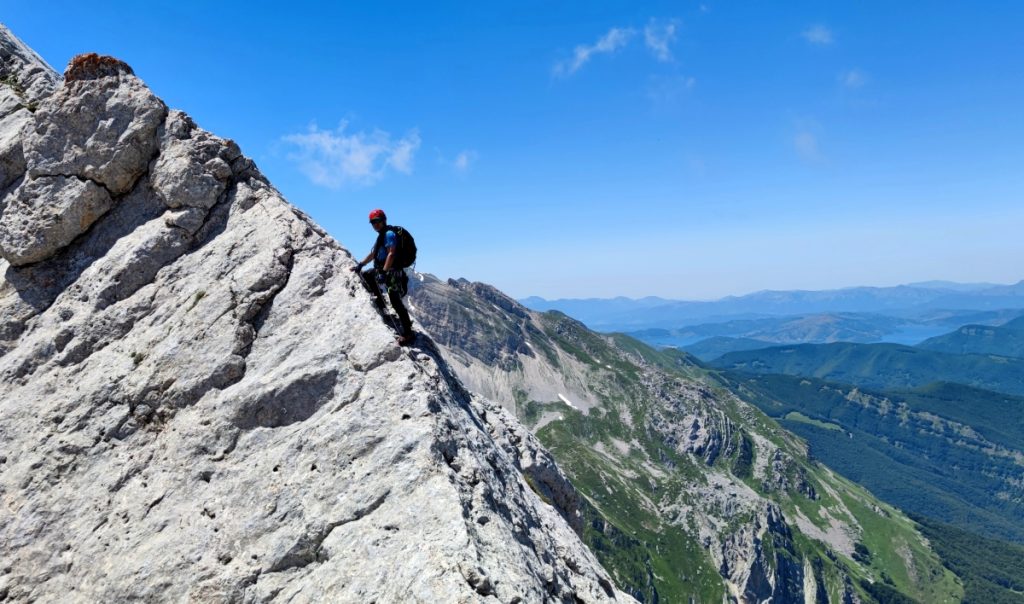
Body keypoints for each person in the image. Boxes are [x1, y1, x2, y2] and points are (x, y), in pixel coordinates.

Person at [351, 209, 415, 345]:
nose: (375, 225)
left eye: (377, 221)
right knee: (368, 275)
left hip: (393, 271)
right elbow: (374, 253)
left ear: (383, 220)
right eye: (373, 223)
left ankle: (408, 333)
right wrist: (361, 264)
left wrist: (384, 272)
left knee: (395, 300)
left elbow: (391, 254)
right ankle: (380, 303)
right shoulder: (381, 236)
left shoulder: (389, 234)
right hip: (385, 269)